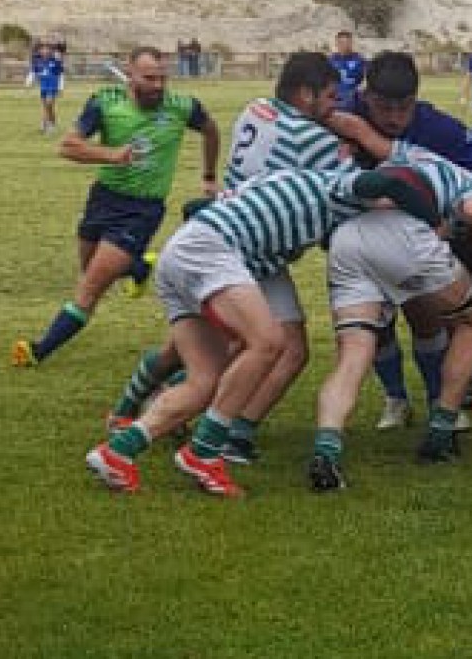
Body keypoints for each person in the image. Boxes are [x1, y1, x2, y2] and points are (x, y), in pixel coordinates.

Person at [103, 52, 349, 462]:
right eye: (329, 97)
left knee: (193, 346)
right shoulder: (313, 138)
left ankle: (130, 409)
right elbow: (345, 182)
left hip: (222, 225)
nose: (334, 106)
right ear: (305, 95)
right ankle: (231, 436)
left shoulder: (258, 107)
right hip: (250, 247)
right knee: (283, 348)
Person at [86, 164, 385, 497]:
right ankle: (204, 452)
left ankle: (117, 452)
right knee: (270, 342)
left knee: (202, 382)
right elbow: (383, 182)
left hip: (180, 251)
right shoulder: (338, 188)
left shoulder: (281, 181)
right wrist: (430, 216)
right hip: (209, 249)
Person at [306, 158, 472, 490]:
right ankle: (441, 433)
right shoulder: (471, 185)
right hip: (405, 236)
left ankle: (327, 448)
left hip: (347, 239)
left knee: (354, 354)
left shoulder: (403, 160)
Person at [328, 50, 472, 431]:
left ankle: (435, 400)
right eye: (384, 107)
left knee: (424, 316)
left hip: (415, 239)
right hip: (353, 234)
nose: (395, 118)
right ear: (365, 96)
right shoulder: (339, 121)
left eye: (404, 107)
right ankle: (395, 398)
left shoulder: (437, 127)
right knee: (373, 325)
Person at [11, 47, 220, 368]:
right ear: (131, 74)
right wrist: (112, 156)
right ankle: (138, 267)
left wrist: (208, 176)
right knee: (90, 269)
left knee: (90, 286)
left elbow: (211, 129)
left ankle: (38, 351)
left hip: (141, 211)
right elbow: (68, 146)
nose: (158, 85)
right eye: (149, 78)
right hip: (103, 199)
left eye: (163, 78)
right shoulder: (106, 103)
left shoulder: (182, 107)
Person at [25, 42, 66, 134]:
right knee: (46, 107)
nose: (45, 51)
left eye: (47, 49)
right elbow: (33, 72)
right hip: (43, 87)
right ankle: (48, 123)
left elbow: (61, 75)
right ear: (40, 51)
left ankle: (50, 125)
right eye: (43, 49)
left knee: (49, 104)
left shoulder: (55, 61)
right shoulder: (37, 61)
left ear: (50, 50)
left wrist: (61, 87)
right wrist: (29, 82)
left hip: (53, 87)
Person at [330, 30, 366, 105]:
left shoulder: (359, 59)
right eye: (341, 43)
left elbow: (365, 80)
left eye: (347, 43)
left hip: (353, 99)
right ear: (336, 43)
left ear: (351, 43)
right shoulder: (331, 60)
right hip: (334, 99)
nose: (344, 46)